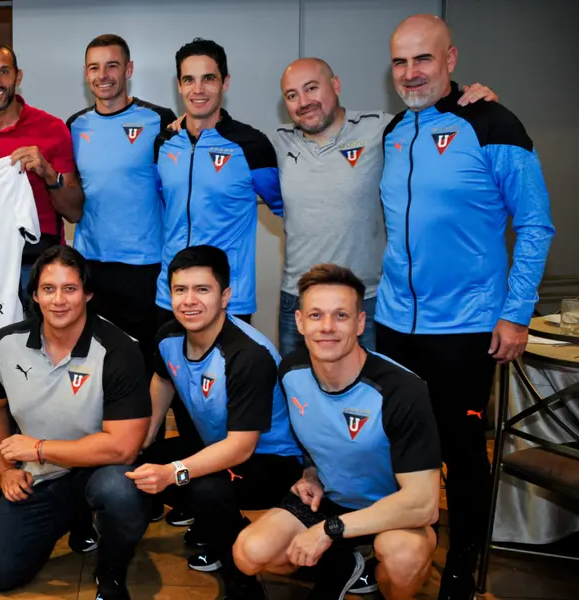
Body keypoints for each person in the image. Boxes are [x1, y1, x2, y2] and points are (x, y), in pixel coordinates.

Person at [377, 15, 554, 599]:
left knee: (461, 450)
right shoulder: (396, 131)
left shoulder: (494, 123)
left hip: (468, 327)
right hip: (395, 323)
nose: (410, 73)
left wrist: (516, 312)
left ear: (450, 60)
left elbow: (534, 224)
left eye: (422, 59)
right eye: (400, 62)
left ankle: (464, 564)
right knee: (401, 444)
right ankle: (404, 547)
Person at [234, 264, 442, 600]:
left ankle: (363, 564)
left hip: (393, 512)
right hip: (330, 501)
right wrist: (310, 473)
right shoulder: (291, 372)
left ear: (360, 323)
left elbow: (424, 504)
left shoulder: (401, 389)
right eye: (316, 315)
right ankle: (344, 563)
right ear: (300, 321)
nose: (327, 327)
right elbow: (318, 439)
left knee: (402, 559)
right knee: (249, 552)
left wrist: (330, 530)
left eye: (341, 315)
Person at [270, 58, 498, 356]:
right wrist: (186, 127)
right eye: (292, 95)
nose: (303, 102)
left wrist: (474, 103)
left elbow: (437, 126)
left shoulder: (382, 128)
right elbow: (228, 142)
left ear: (335, 85)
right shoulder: (277, 143)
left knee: (376, 396)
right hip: (300, 299)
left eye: (312, 88)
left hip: (368, 299)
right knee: (297, 393)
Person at [0, 245, 150, 600]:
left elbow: (124, 446)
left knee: (120, 492)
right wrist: (5, 469)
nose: (59, 300)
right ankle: (75, 518)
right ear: (35, 295)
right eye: (48, 289)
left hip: (101, 469)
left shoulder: (120, 350)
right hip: (43, 476)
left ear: (87, 294)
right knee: (1, 573)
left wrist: (37, 448)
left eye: (70, 289)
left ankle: (111, 571)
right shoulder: (4, 345)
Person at [128, 245, 303, 599]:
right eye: (180, 290)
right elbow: (162, 380)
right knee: (138, 465)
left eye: (202, 290)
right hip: (217, 446)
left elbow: (241, 447)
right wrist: (141, 442)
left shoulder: (247, 355)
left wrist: (174, 471)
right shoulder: (168, 337)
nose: (189, 301)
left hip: (271, 460)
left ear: (225, 296)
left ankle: (242, 580)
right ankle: (217, 527)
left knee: (204, 488)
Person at [66, 33, 177, 376]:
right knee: (99, 368)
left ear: (128, 69)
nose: (103, 75)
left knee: (148, 366)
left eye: (112, 65)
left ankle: (149, 433)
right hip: (92, 265)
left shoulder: (159, 120)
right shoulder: (74, 126)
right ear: (86, 74)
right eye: (95, 67)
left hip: (145, 266)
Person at [153, 38, 282, 324]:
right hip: (171, 294)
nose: (198, 90)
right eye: (189, 80)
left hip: (228, 298)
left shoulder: (252, 145)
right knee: (168, 370)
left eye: (208, 79)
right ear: (179, 85)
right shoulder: (164, 143)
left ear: (225, 82)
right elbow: (163, 203)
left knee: (227, 371)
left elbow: (285, 206)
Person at [0, 43, 83, 301]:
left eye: (4, 72)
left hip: (37, 265)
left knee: (40, 340)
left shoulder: (52, 128)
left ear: (18, 77)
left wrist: (48, 172)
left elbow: (74, 212)